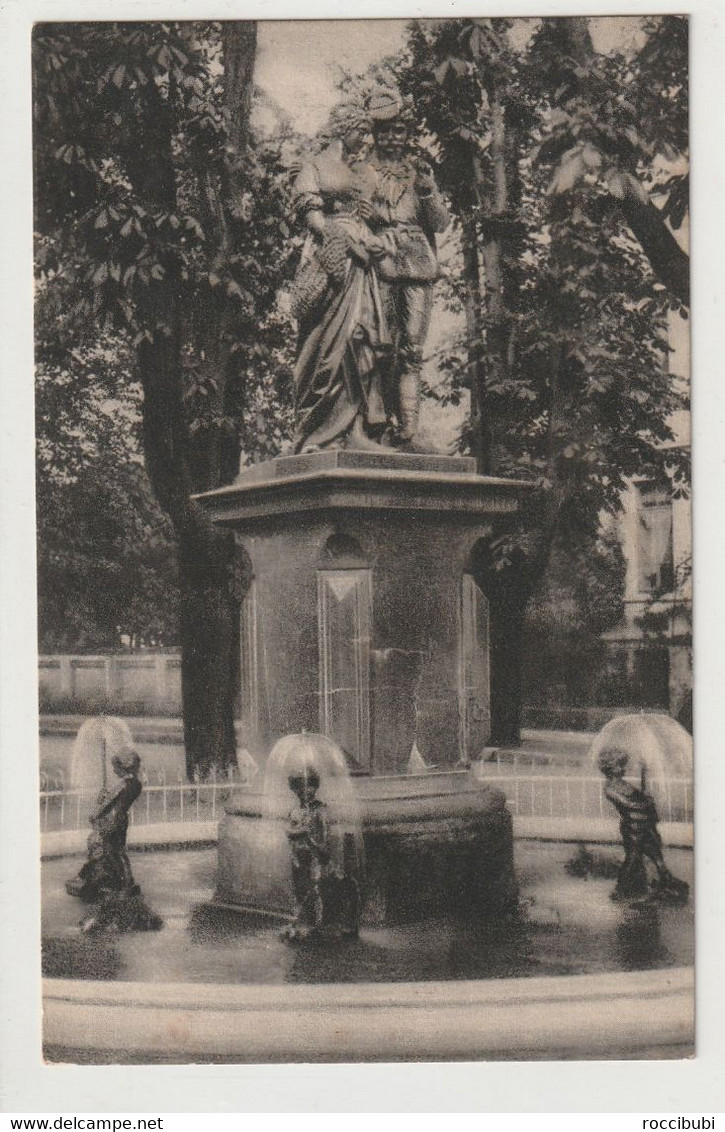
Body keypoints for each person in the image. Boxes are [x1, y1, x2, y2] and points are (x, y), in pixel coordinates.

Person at [290, 109, 394, 453]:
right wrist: (347, 242)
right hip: (332, 262)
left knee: (361, 338)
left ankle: (356, 429)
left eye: (370, 133)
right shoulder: (315, 166)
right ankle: (316, 432)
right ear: (344, 130)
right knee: (325, 342)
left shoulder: (366, 172)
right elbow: (313, 217)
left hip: (363, 266)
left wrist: (373, 233)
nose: (369, 140)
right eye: (363, 132)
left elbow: (380, 217)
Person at [364, 91, 450, 447]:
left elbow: (441, 223)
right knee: (381, 346)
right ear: (376, 134)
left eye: (398, 131)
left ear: (406, 134)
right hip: (378, 262)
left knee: (412, 350)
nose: (392, 138)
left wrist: (428, 191)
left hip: (416, 266)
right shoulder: (362, 170)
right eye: (385, 132)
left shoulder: (419, 174)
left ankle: (409, 428)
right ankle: (378, 421)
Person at [65, 747, 163, 933]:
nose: (113, 770)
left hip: (113, 825)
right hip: (111, 825)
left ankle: (118, 890)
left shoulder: (131, 784)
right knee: (109, 856)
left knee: (112, 854)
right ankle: (112, 888)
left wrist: (103, 823)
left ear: (123, 766)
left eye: (116, 766)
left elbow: (115, 808)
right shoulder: (123, 785)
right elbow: (107, 806)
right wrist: (102, 799)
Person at [598, 747, 688, 903]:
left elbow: (639, 798)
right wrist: (645, 802)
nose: (624, 768)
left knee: (656, 854)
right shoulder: (610, 788)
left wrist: (644, 786)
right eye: (620, 765)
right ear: (610, 768)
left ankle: (667, 881)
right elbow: (629, 804)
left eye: (623, 764)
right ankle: (621, 890)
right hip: (633, 828)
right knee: (633, 857)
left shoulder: (623, 784)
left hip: (645, 825)